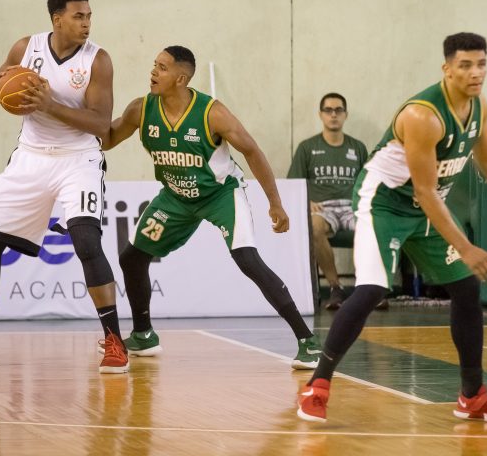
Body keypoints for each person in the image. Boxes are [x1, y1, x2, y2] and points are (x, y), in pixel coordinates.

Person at [297, 32, 487, 423]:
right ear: (447, 69)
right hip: (385, 202)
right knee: (372, 288)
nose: (476, 73)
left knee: (466, 287)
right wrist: (467, 247)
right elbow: (425, 192)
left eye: (481, 64)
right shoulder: (422, 115)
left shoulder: (478, 107)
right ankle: (317, 385)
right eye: (465, 65)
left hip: (425, 205)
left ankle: (472, 395)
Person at [0, 0, 129, 373]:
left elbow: (100, 125)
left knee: (86, 241)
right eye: (78, 16)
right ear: (57, 19)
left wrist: (49, 104)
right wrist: (2, 88)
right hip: (30, 156)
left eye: (89, 16)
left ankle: (114, 340)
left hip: (78, 159)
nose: (87, 23)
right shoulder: (26, 48)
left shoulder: (98, 60)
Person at [101, 45, 322, 369]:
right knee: (132, 258)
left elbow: (252, 151)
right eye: (154, 65)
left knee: (247, 260)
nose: (153, 72)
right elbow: (107, 139)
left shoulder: (212, 113)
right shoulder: (141, 109)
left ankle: (308, 341)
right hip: (175, 197)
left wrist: (275, 203)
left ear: (181, 79)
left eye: (162, 67)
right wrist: (75, 118)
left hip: (220, 194)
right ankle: (144, 334)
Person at [287, 93, 369, 310]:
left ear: (345, 115)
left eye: (338, 110)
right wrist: (307, 202)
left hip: (351, 207)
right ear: (320, 114)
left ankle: (367, 289)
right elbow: (293, 186)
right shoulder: (307, 147)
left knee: (373, 226)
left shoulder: (358, 147)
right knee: (314, 227)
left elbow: (369, 183)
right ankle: (335, 288)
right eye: (328, 110)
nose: (334, 115)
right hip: (323, 208)